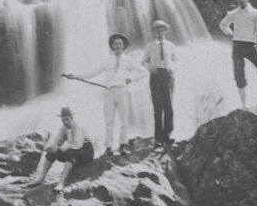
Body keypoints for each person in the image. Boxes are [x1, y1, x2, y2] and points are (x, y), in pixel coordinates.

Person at [67, 33, 144, 157]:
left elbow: (143, 72)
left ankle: (123, 146)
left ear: (123, 46)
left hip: (123, 91)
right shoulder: (107, 60)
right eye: (115, 44)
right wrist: (75, 76)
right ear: (112, 46)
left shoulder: (129, 60)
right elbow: (92, 73)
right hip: (109, 92)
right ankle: (108, 148)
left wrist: (131, 79)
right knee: (109, 122)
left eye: (120, 44)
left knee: (124, 121)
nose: (118, 46)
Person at [219, 0, 257, 113]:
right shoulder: (233, 13)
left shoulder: (255, 13)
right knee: (239, 75)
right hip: (237, 46)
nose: (240, 0)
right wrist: (229, 33)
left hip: (251, 45)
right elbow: (223, 24)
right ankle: (244, 105)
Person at [29, 106, 95, 191]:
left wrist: (61, 149)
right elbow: (57, 142)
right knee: (51, 153)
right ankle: (41, 178)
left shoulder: (78, 126)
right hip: (73, 149)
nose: (65, 122)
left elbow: (77, 144)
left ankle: (61, 181)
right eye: (63, 120)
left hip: (86, 151)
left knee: (71, 153)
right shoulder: (63, 128)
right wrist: (51, 148)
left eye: (67, 119)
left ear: (72, 118)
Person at [141, 19, 177, 149]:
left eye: (162, 30)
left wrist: (172, 69)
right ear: (154, 33)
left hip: (168, 76)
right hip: (156, 76)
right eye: (157, 31)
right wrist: (150, 68)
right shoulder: (150, 46)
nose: (160, 33)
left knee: (169, 107)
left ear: (165, 31)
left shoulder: (170, 45)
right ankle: (158, 138)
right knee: (158, 107)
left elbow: (175, 59)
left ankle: (167, 136)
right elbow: (143, 61)